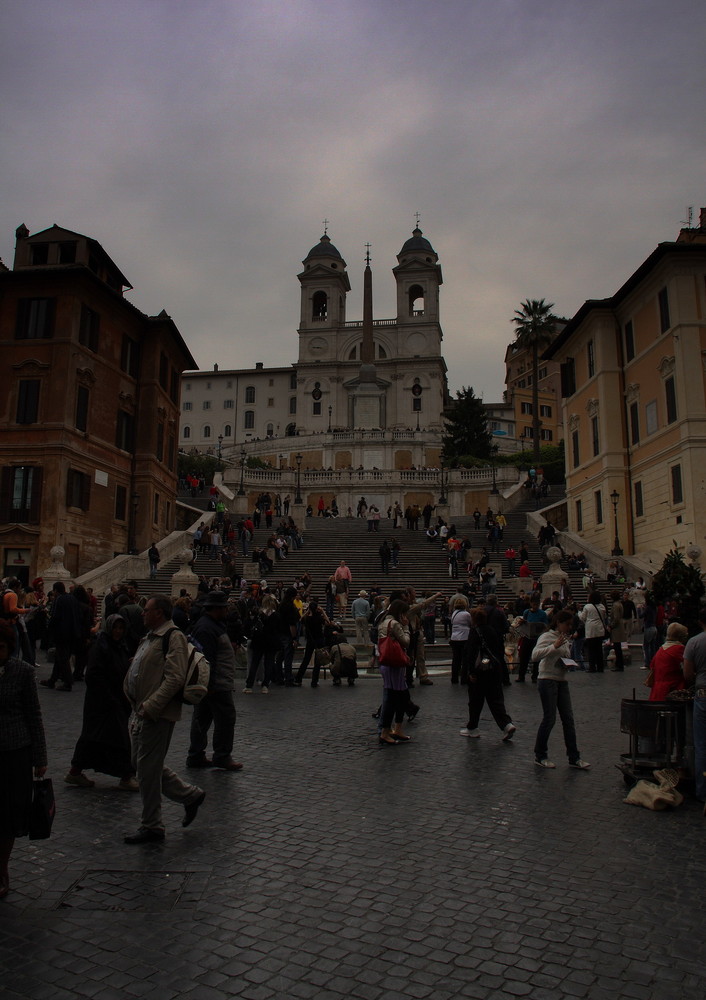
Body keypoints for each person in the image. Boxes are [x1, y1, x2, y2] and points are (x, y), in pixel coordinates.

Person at [123, 595, 206, 844]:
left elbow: (175, 676)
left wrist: (153, 705)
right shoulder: (151, 637)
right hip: (141, 709)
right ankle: (190, 795)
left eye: (146, 610)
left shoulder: (173, 636)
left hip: (155, 712)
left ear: (159, 612)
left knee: (147, 768)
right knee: (142, 764)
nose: (142, 614)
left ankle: (152, 825)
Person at [0, 621, 48, 899]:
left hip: (15, 752)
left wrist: (40, 757)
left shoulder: (22, 672)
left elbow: (34, 715)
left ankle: (2, 868)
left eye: (2, 648)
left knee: (8, 814)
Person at [65, 614, 137, 790]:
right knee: (118, 737)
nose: (118, 631)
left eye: (121, 628)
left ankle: (75, 772)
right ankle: (127, 776)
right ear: (109, 627)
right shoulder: (101, 645)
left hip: (114, 699)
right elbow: (94, 674)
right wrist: (109, 696)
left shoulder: (120, 645)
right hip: (103, 701)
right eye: (115, 628)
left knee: (93, 738)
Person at [187, 592, 242, 770]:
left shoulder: (212, 625)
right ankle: (222, 755)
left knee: (201, 719)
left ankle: (196, 755)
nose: (227, 609)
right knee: (225, 719)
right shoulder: (206, 628)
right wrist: (209, 686)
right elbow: (206, 658)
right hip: (216, 684)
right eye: (224, 606)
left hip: (212, 683)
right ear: (217, 608)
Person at [532, 611, 590, 769]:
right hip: (547, 679)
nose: (569, 627)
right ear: (558, 622)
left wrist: (568, 662)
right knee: (549, 718)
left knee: (568, 720)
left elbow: (564, 655)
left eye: (571, 625)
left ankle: (574, 757)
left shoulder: (565, 638)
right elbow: (535, 655)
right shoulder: (547, 636)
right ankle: (540, 754)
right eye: (567, 624)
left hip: (561, 680)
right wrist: (553, 646)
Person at [460, 608, 515, 741]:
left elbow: (471, 653)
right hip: (494, 669)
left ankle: (473, 728)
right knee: (495, 699)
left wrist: (471, 672)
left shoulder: (475, 632)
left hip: (480, 671)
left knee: (475, 701)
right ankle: (507, 724)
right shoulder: (492, 630)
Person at [378, 600, 413, 745]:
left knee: (401, 696)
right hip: (394, 665)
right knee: (394, 698)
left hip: (388, 663)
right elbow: (405, 642)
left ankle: (397, 728)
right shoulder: (396, 624)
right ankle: (386, 731)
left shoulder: (383, 622)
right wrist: (406, 627)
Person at [682, 610, 706, 804]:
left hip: (703, 694)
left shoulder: (694, 642)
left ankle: (702, 792)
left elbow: (687, 674)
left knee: (701, 745)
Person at [293, 598, 331, 687]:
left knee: (306, 660)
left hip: (310, 640)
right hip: (319, 640)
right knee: (317, 662)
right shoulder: (319, 617)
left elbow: (300, 619)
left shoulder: (307, 619)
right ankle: (314, 681)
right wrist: (323, 612)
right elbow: (328, 622)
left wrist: (307, 612)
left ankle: (298, 679)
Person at [648, 622, 688, 702]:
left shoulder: (661, 649)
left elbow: (652, 665)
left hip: (657, 689)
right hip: (672, 689)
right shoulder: (679, 649)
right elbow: (687, 666)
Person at [579, 592, 608, 673]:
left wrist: (579, 612)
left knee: (591, 649)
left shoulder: (587, 607)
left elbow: (582, 617)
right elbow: (604, 616)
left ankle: (592, 667)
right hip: (599, 629)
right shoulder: (602, 606)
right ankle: (600, 667)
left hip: (591, 629)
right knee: (599, 649)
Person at [448, 595, 472, 684]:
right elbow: (471, 623)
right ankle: (464, 678)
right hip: (464, 637)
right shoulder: (466, 614)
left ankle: (454, 678)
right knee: (464, 659)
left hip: (454, 637)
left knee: (455, 659)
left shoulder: (454, 613)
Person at [609, 590, 628, 671]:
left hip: (616, 628)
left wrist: (611, 625)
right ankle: (619, 664)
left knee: (617, 647)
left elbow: (616, 618)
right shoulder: (619, 604)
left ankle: (619, 665)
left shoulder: (615, 605)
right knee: (618, 647)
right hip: (619, 626)